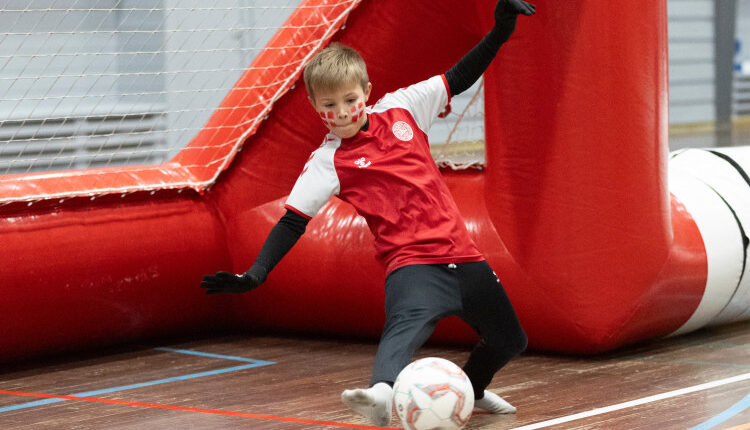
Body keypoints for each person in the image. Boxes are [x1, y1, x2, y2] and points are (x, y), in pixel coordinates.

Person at [201, 0, 535, 426]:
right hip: (412, 265)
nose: (340, 114)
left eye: (349, 100)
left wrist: (500, 31)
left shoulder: (403, 109)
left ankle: (474, 388)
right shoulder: (327, 162)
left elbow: (458, 78)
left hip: (465, 256)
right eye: (328, 106)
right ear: (314, 105)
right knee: (402, 333)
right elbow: (292, 222)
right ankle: (380, 395)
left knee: (511, 340)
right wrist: (256, 273)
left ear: (367, 92)